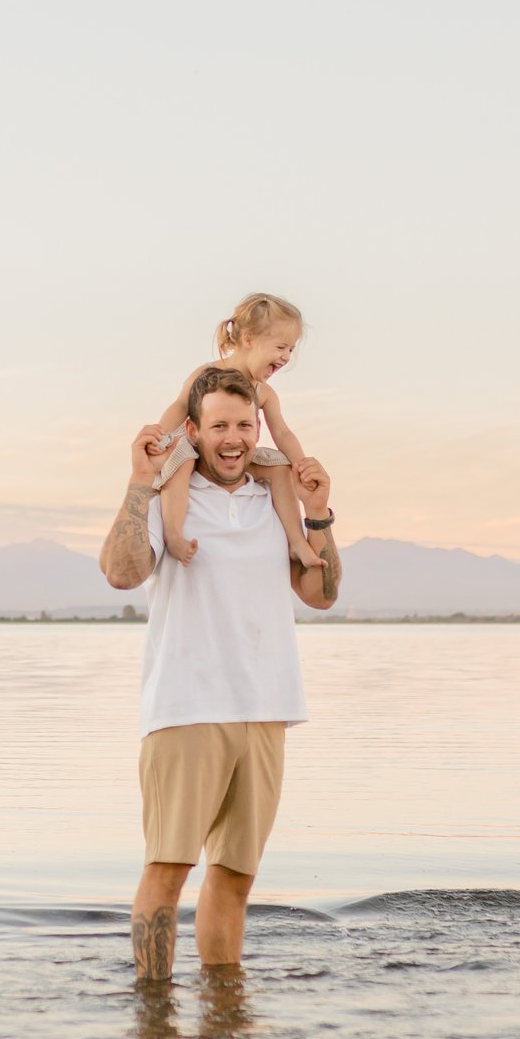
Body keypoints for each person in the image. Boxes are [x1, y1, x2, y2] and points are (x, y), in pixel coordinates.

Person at [101, 363, 343, 982]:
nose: (232, 438)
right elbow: (122, 573)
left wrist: (318, 513)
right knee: (168, 868)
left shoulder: (278, 500)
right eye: (218, 426)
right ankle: (151, 1013)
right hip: (186, 709)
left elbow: (320, 594)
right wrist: (138, 482)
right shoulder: (168, 498)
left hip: (266, 708)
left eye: (243, 424)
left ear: (257, 425)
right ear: (195, 429)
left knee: (235, 877)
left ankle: (223, 1017)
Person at [149, 294, 322, 571]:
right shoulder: (207, 373)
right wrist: (162, 439)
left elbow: (282, 432)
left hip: (234, 454)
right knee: (180, 459)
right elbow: (180, 405)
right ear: (249, 339)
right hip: (195, 447)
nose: (286, 357)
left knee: (279, 465)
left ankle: (296, 541)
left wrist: (300, 465)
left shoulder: (264, 393)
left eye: (291, 349)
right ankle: (173, 534)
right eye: (280, 347)